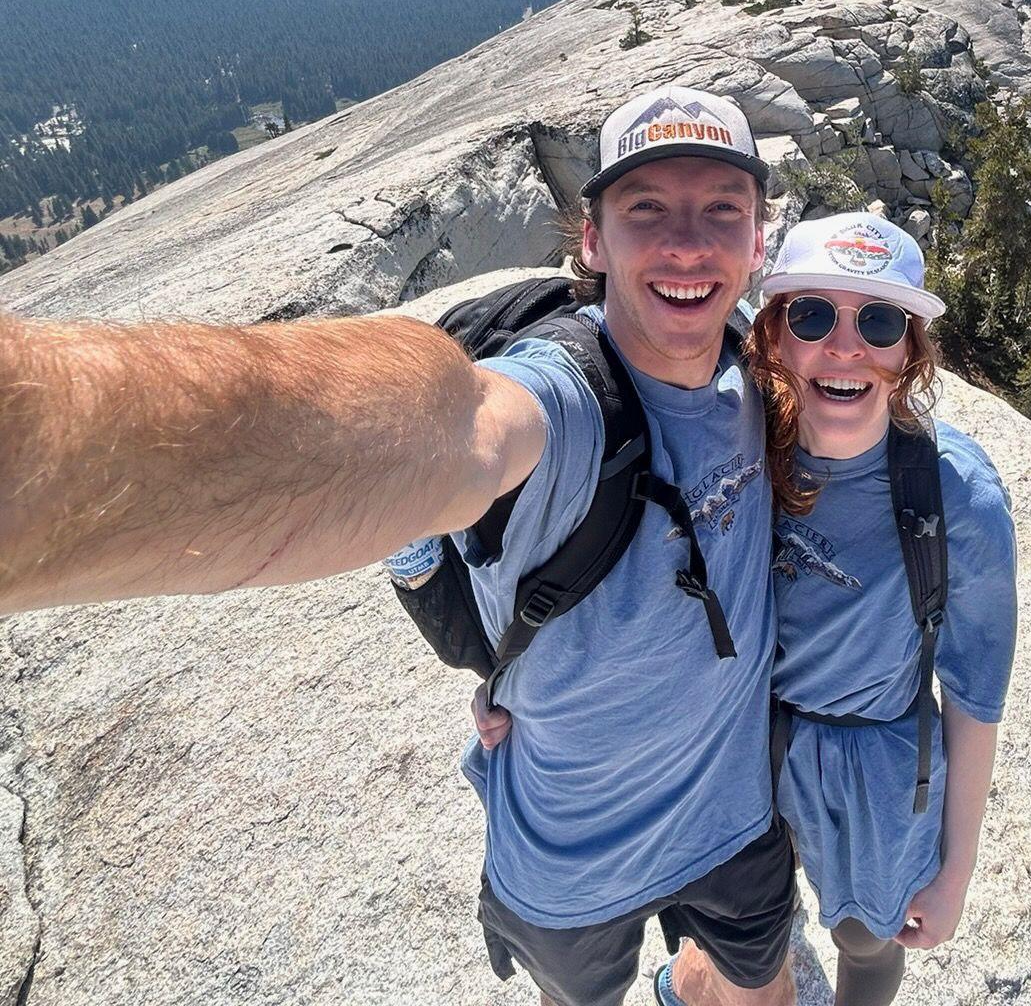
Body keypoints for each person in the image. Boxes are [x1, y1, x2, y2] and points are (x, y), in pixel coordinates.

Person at [0, 82, 797, 1006]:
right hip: (574, 859)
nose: (688, 245)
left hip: (736, 817)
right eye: (646, 209)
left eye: (722, 213)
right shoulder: (565, 400)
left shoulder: (763, 373)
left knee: (757, 991)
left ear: (756, 242)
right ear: (592, 241)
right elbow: (454, 428)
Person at [748, 213, 1017, 1006]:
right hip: (741, 732)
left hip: (876, 754)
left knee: (868, 935)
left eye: (877, 320)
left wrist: (955, 871)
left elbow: (973, 695)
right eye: (812, 315)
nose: (845, 346)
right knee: (735, 922)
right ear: (773, 336)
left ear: (909, 352)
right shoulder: (735, 447)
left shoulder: (957, 494)